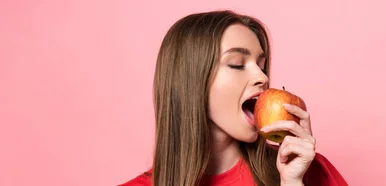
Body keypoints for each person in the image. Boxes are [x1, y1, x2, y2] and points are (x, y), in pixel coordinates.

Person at [120, 10, 348, 186]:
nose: (262, 77)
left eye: (262, 65)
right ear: (191, 82)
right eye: (237, 64)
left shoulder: (309, 171)